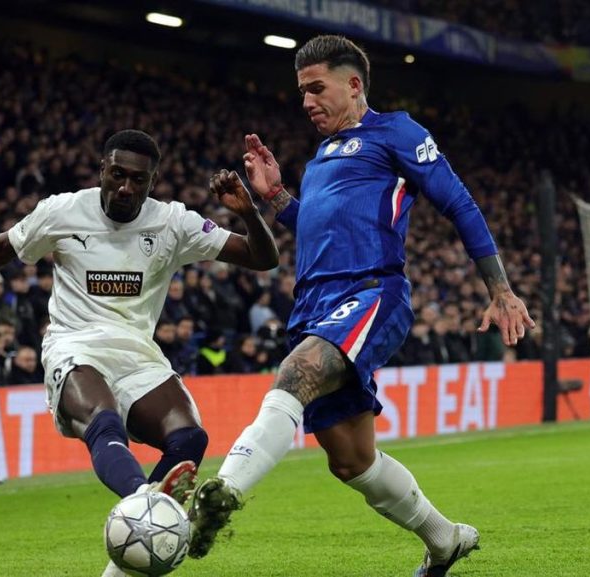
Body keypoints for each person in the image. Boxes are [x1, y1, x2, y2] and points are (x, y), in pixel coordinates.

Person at [187, 36, 534, 577]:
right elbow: (316, 226)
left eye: (316, 88)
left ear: (353, 85)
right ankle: (445, 539)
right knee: (350, 460)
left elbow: (458, 202)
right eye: (302, 92)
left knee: (295, 374)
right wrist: (274, 197)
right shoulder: (321, 158)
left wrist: (500, 288)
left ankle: (220, 495)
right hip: (314, 305)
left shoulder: (397, 132)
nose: (307, 102)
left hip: (371, 292)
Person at [0, 130, 279, 577]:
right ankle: (145, 505)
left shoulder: (172, 222)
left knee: (189, 440)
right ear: (102, 170)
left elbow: (262, 259)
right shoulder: (63, 211)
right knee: (104, 421)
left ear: (152, 181)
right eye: (117, 174)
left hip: (137, 353)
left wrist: (248, 213)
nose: (125, 187)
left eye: (138, 180)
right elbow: (0, 248)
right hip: (74, 343)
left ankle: (140, 529)